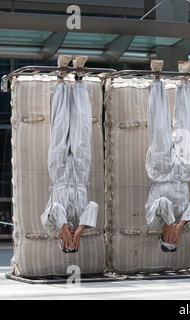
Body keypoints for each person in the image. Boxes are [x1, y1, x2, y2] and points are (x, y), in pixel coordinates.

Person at [40, 54, 99, 253]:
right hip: (80, 172)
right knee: (82, 126)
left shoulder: (50, 225)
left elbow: (56, 208)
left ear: (61, 240)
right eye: (75, 241)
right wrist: (81, 229)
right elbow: (93, 205)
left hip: (59, 172)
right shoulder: (85, 221)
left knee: (60, 123)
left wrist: (64, 228)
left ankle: (61, 75)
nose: (72, 236)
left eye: (68, 241)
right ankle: (79, 76)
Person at [145, 60, 190, 252]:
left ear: (161, 237)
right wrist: (179, 226)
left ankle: (156, 77)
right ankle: (185, 77)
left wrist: (170, 224)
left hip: (161, 173)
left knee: (159, 125)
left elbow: (163, 203)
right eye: (175, 241)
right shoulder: (185, 224)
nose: (173, 238)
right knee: (187, 127)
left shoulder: (153, 224)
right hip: (181, 174)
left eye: (169, 239)